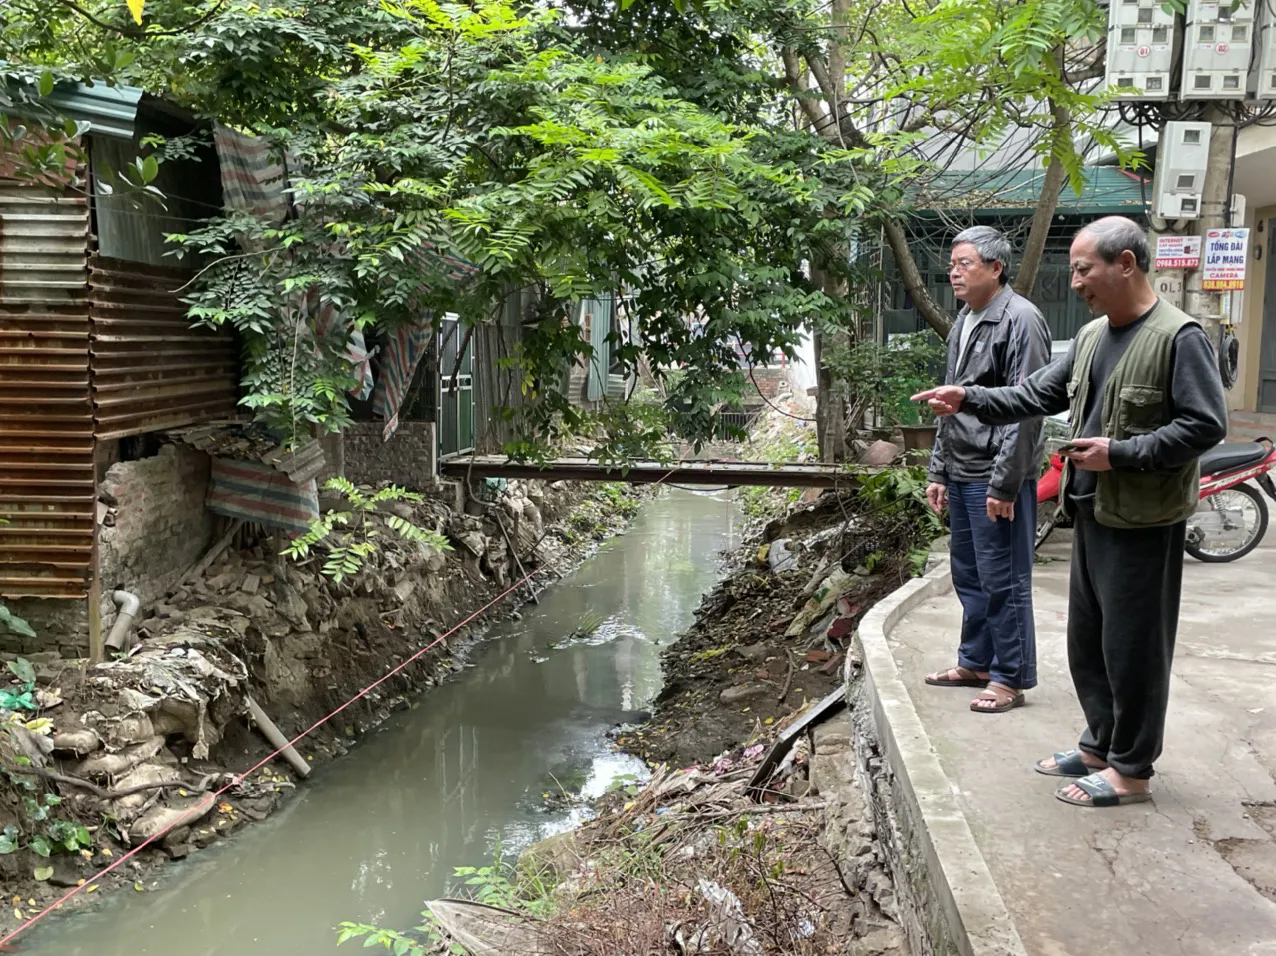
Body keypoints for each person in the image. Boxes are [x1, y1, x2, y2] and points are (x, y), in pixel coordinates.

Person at [913, 216, 1228, 808]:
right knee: (1090, 641)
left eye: (1084, 268)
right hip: (1092, 511)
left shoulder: (1177, 335)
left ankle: (1131, 770)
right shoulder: (1090, 337)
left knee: (1134, 647)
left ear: (1125, 264)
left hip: (1142, 518)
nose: (1076, 280)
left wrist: (1124, 453)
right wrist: (970, 397)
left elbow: (1205, 424)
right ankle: (1097, 746)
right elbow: (1034, 394)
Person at [923, 226, 1052, 714]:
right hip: (961, 469)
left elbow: (1028, 408)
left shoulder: (1021, 320)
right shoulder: (966, 319)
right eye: (952, 263)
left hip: (995, 476)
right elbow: (950, 399)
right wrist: (939, 470)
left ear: (996, 268)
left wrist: (1005, 481)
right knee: (969, 574)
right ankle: (976, 660)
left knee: (1004, 578)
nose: (954, 272)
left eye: (965, 263)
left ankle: (1010, 676)